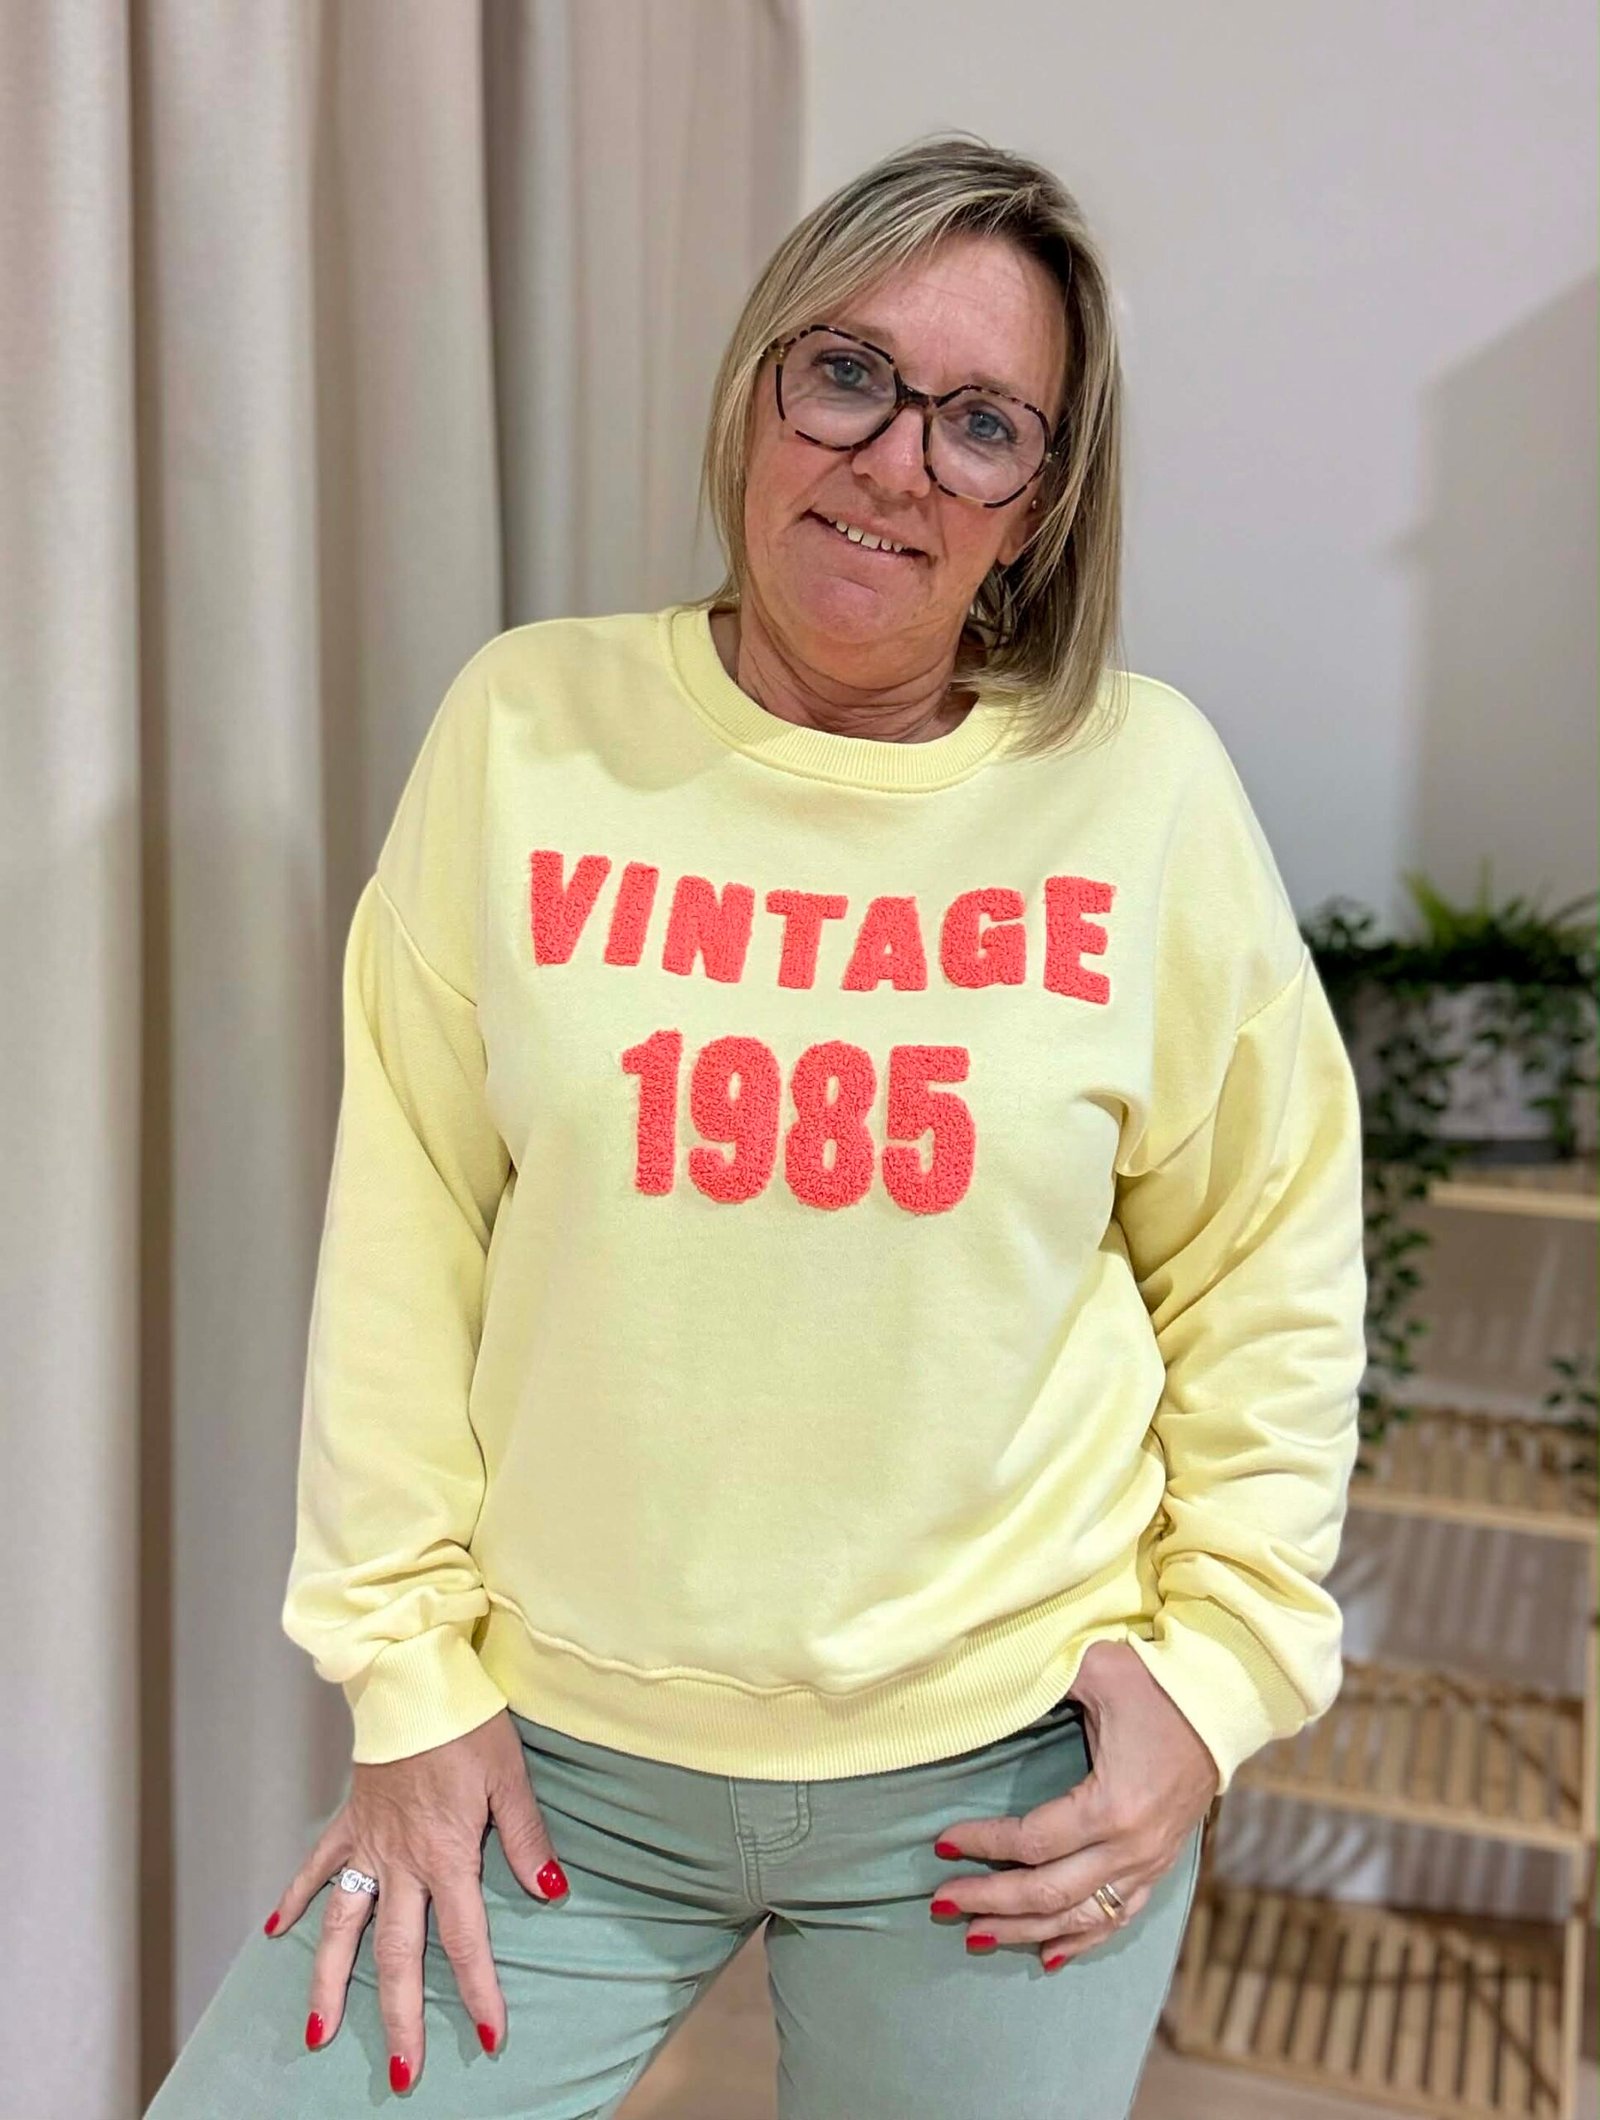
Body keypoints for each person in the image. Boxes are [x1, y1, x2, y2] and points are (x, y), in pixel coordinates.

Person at [145, 133, 1367, 2118]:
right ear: (754, 394)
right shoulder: (529, 730)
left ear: (1035, 509)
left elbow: (1268, 1264)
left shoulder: (1141, 787)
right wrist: (405, 1682)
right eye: (848, 374)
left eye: (981, 423)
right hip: (543, 1758)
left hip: (1002, 1769)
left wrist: (1216, 1680)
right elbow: (407, 1232)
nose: (894, 461)